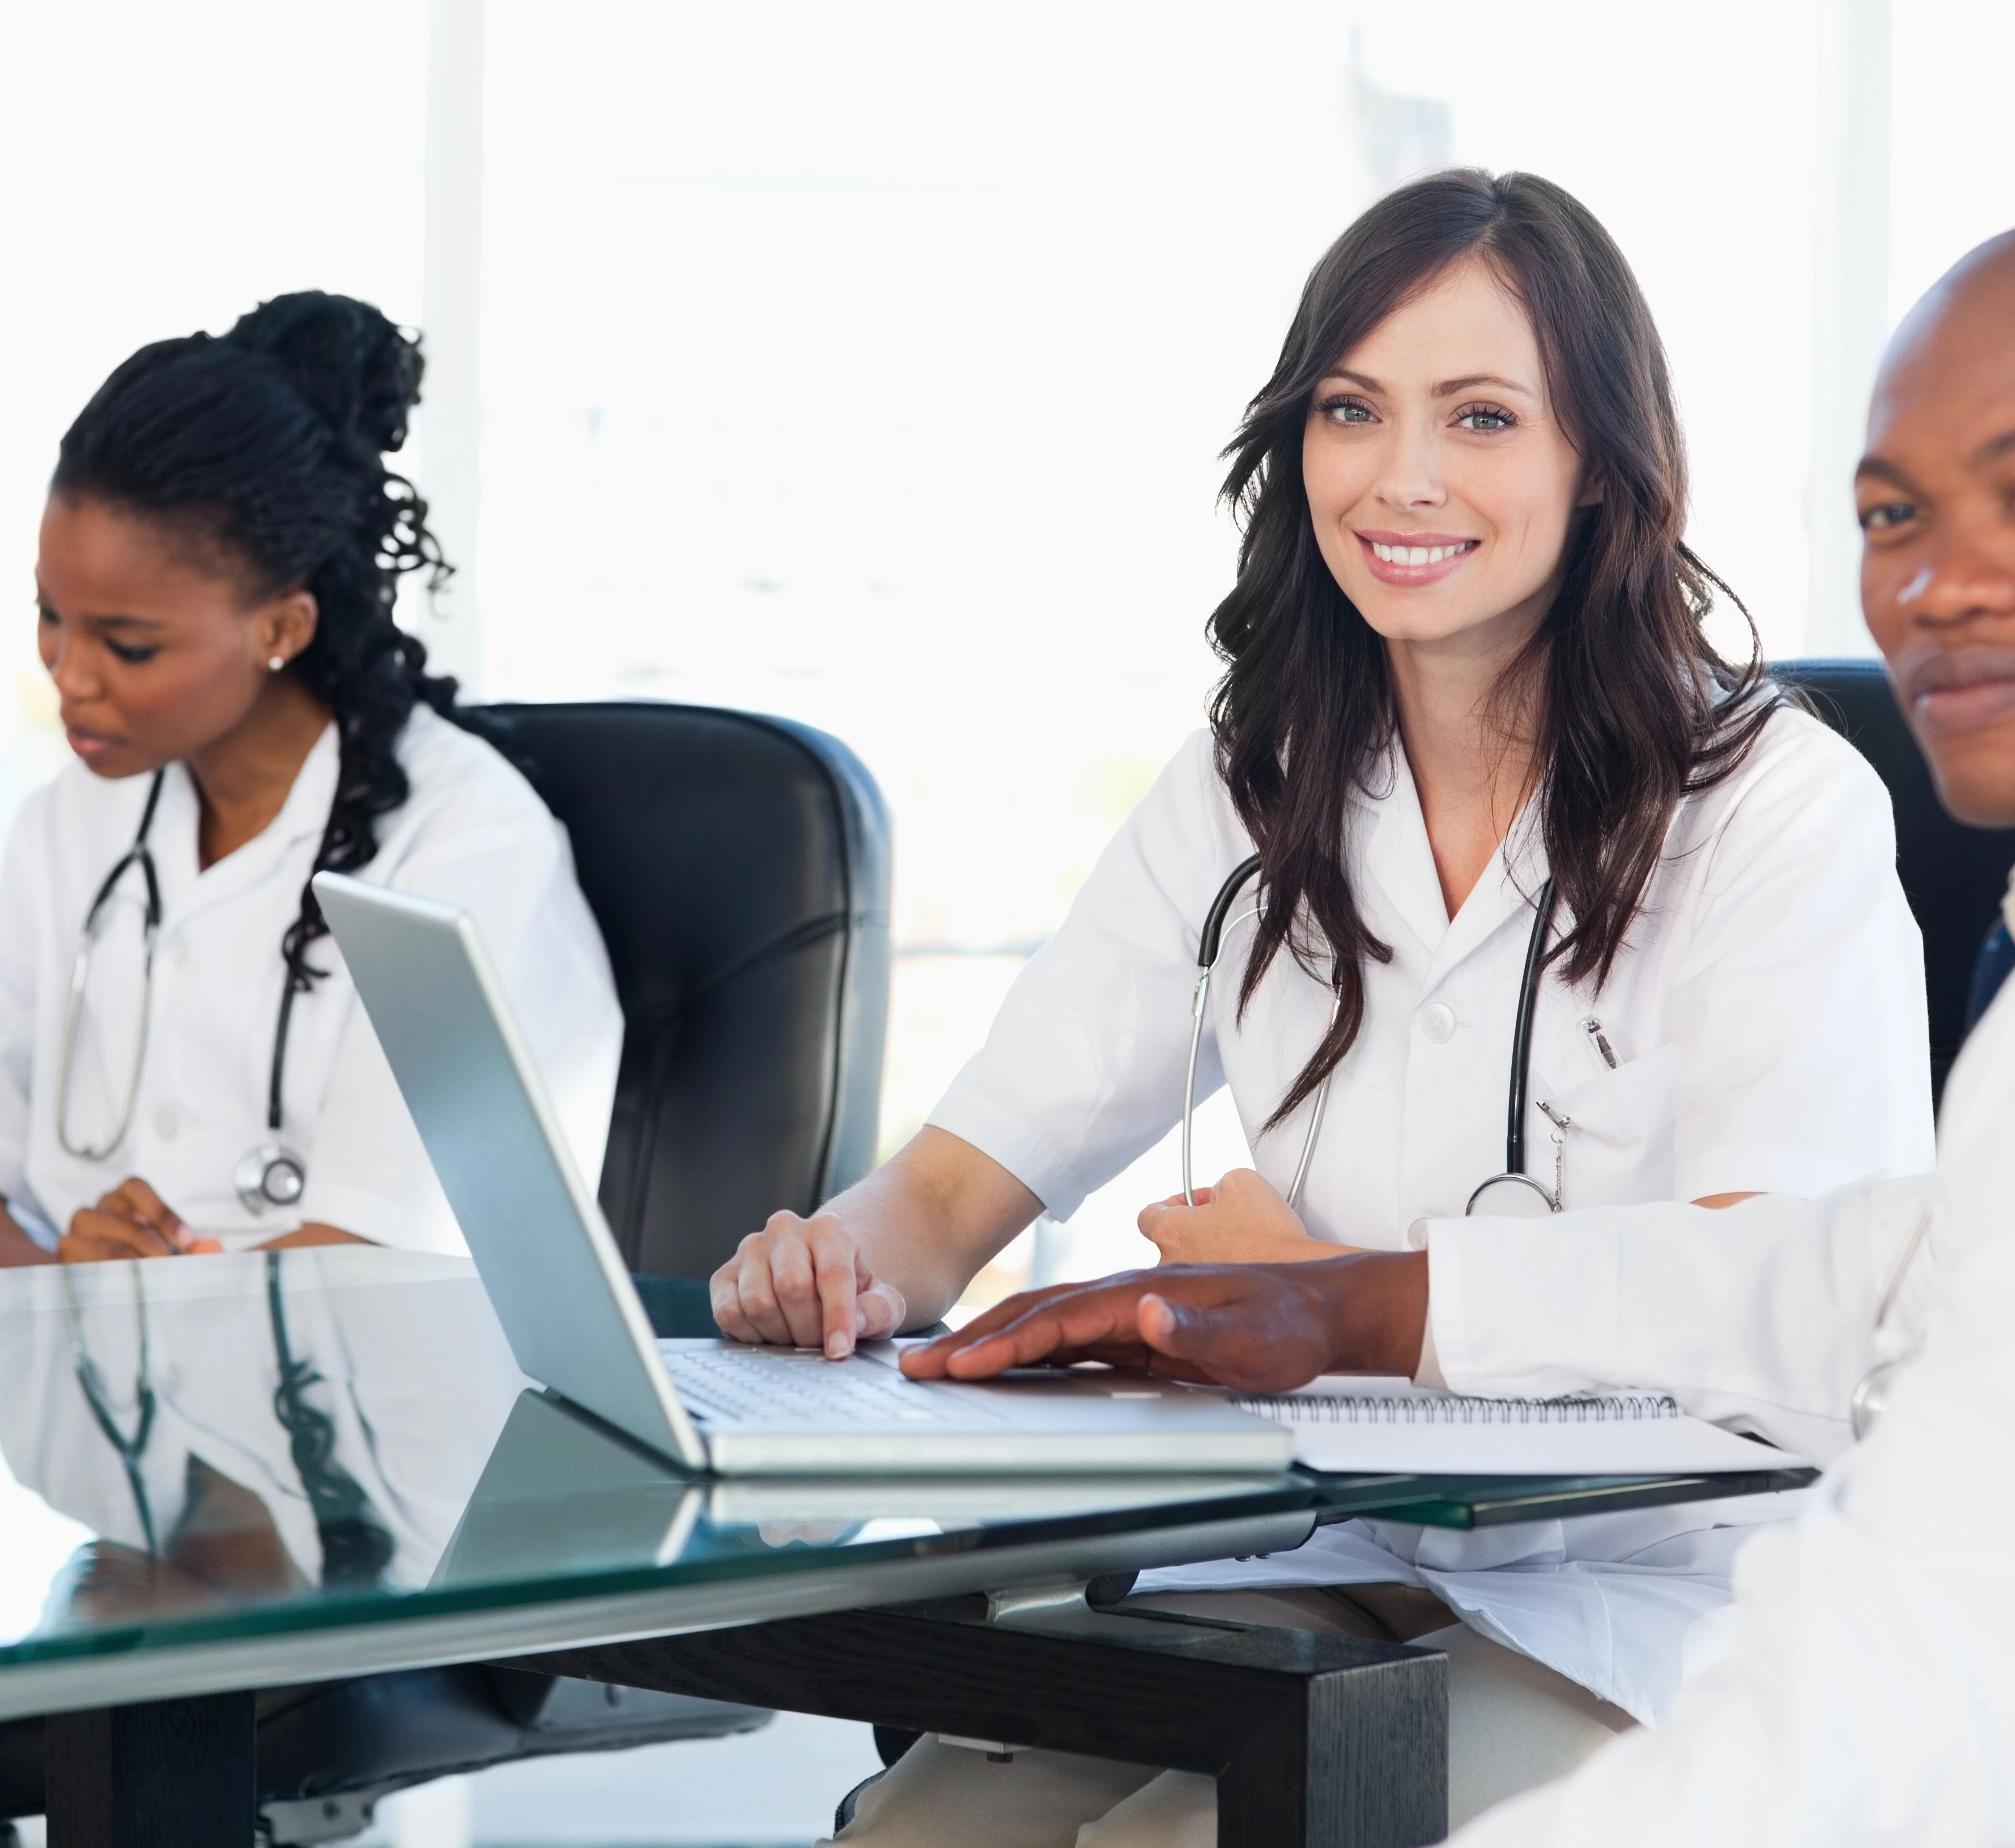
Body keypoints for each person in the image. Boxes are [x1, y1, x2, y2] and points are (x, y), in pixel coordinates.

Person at [908, 210, 2015, 1847]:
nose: (1938, 581)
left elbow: (1932, 1704)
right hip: (1369, 1561)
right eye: (1893, 512)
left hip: (1768, 1651)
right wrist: (1358, 1306)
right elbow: (1856, 1266)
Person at [722, 170, 1936, 1837]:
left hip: (1682, 1595)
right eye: (1353, 409)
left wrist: (1351, 1297)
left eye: (1485, 415)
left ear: (1601, 465)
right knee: (931, 1829)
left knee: (1182, 1835)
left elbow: (1786, 1297)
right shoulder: (1255, 779)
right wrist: (833, 1264)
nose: (1403, 475)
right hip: (1337, 1548)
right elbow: (955, 1186)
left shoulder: (1774, 806)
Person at [0, 291, 617, 1271]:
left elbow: (378, 1262)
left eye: (130, 644)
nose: (69, 674)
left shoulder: (469, 844)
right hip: (94, 1409)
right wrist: (81, 1312)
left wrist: (139, 1314)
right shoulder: (72, 820)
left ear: (283, 628)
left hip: (372, 1415)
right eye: (52, 615)